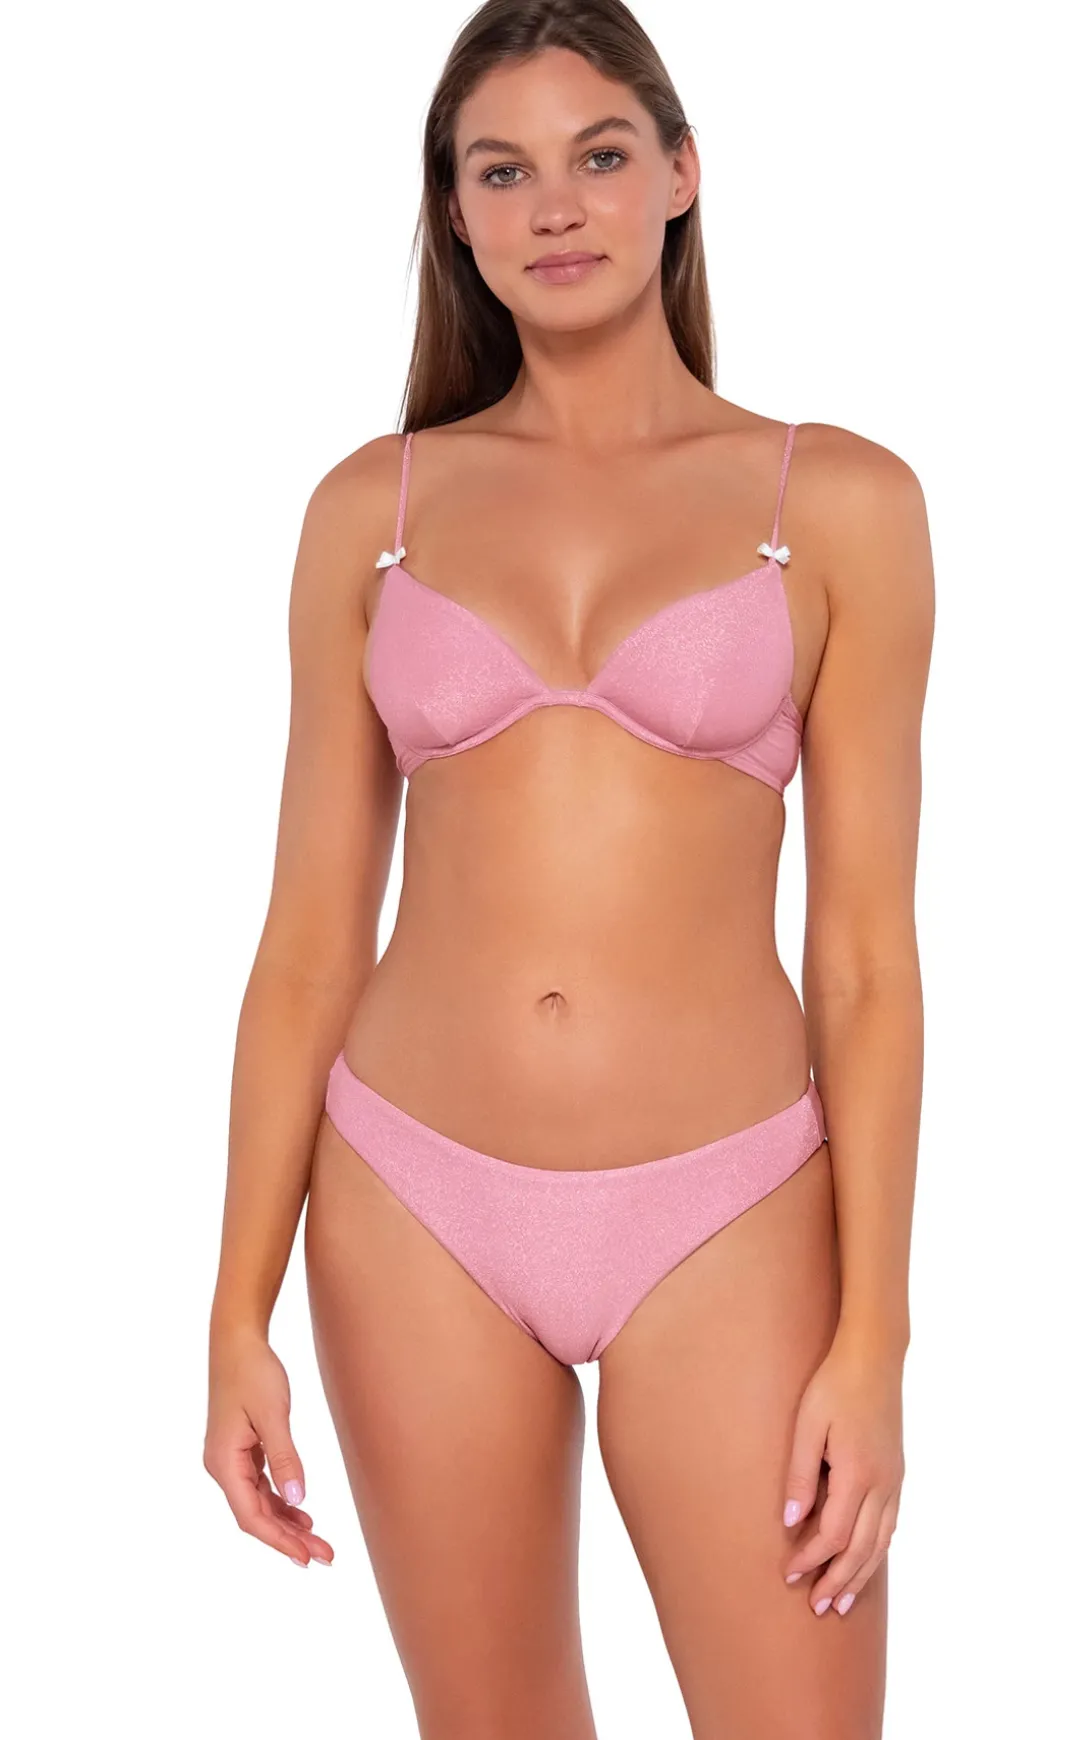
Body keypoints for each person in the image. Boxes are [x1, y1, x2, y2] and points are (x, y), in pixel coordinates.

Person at [203, 2, 934, 1733]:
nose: (555, 206)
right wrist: (236, 1310)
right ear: (454, 215)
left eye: (600, 155)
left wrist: (876, 1340)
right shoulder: (372, 513)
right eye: (501, 171)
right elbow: (307, 944)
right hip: (411, 1198)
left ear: (681, 173)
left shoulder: (837, 502)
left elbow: (865, 963)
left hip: (732, 1206)